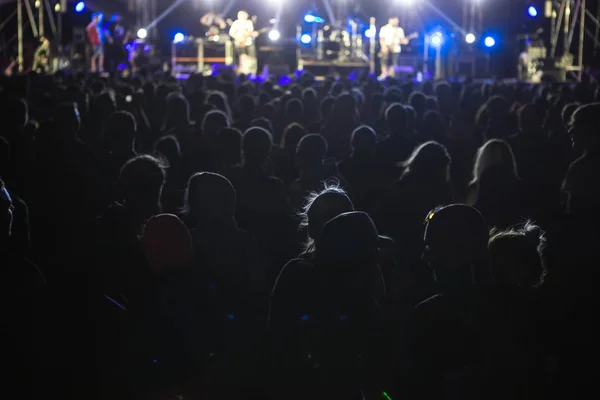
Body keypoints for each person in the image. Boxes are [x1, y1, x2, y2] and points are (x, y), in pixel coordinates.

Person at [229, 11, 256, 75]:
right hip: (238, 43)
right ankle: (239, 71)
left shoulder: (249, 22)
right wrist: (238, 38)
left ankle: (250, 71)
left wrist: (245, 37)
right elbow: (231, 32)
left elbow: (250, 31)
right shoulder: (236, 23)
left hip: (247, 42)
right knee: (240, 56)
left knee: (250, 57)